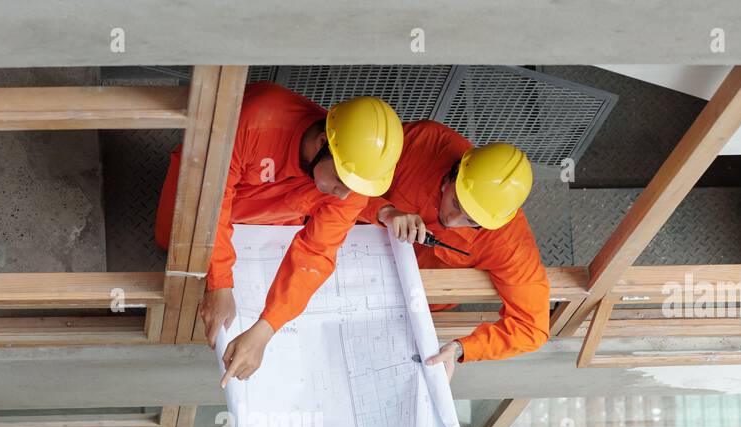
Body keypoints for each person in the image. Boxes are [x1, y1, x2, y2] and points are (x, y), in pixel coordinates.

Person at [155, 83, 403, 386]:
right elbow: (212, 196)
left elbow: (316, 254)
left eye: (355, 188)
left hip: (266, 218)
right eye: (340, 181)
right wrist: (219, 283)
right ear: (323, 142)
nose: (343, 195)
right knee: (172, 243)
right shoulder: (257, 119)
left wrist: (266, 328)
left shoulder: (351, 187)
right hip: (207, 187)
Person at [362, 121, 550, 381]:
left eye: (471, 221)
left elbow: (532, 327)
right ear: (455, 172)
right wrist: (383, 211)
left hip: (409, 300)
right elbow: (342, 173)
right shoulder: (422, 143)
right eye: (455, 202)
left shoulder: (509, 242)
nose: (452, 220)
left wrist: (462, 348)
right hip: (352, 246)